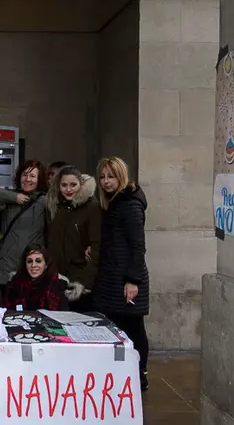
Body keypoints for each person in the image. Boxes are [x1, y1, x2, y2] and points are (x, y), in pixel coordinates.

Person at [95, 156, 150, 391]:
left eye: (111, 176)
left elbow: (138, 245)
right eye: (103, 177)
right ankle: (123, 374)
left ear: (121, 177)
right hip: (111, 277)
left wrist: (132, 281)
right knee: (117, 328)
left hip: (126, 279)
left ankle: (140, 375)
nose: (106, 181)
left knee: (133, 329)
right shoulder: (113, 202)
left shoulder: (129, 204)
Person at [46, 165, 101, 311]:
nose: (68, 189)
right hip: (58, 279)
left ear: (81, 185)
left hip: (80, 281)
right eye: (64, 185)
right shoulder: (56, 207)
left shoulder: (92, 207)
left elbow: (97, 246)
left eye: (73, 185)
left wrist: (85, 282)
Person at [0, 160, 48, 290]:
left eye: (32, 176)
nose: (27, 179)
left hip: (31, 266)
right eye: (24, 175)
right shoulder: (10, 199)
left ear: (40, 179)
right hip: (7, 266)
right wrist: (14, 197)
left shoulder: (44, 202)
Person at [2, 244, 68, 311]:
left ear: (46, 265)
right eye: (29, 261)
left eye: (38, 261)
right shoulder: (14, 285)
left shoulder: (57, 285)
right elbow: (5, 312)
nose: (33, 265)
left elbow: (64, 316)